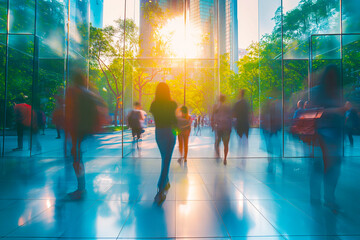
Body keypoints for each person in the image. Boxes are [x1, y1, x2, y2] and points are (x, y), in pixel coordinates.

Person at [308, 65, 348, 212]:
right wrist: (336, 110)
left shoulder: (338, 92)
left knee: (333, 167)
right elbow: (314, 111)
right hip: (321, 134)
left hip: (336, 134)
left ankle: (328, 197)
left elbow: (343, 112)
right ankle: (319, 196)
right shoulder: (317, 92)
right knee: (321, 166)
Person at [65, 71, 108, 199]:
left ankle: (81, 188)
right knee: (78, 158)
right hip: (83, 130)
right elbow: (102, 105)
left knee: (77, 159)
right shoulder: (88, 93)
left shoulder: (75, 92)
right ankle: (81, 187)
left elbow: (71, 112)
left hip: (77, 130)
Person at [150, 82, 177, 205]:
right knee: (166, 160)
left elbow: (155, 120)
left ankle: (166, 182)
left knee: (164, 159)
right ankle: (160, 189)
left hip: (159, 133)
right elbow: (175, 121)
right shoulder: (172, 104)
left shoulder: (154, 105)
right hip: (170, 133)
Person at [212, 94, 232, 165]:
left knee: (217, 143)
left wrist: (213, 126)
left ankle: (218, 155)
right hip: (226, 128)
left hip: (219, 128)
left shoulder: (216, 107)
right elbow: (231, 118)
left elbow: (214, 117)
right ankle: (225, 158)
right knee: (226, 144)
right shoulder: (228, 108)